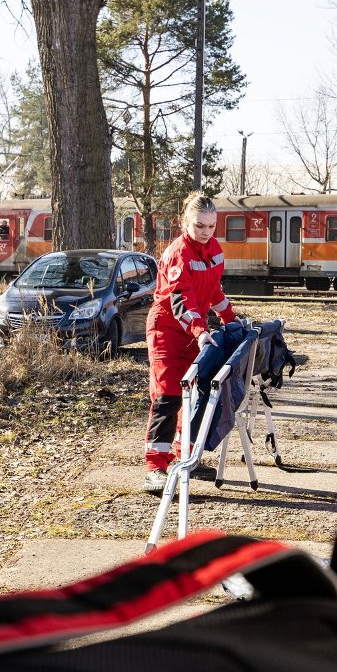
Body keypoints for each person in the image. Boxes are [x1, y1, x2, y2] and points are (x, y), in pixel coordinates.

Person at [142, 193, 238, 494]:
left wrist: (230, 318)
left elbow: (213, 291)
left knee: (195, 394)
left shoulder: (214, 250)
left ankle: (185, 457)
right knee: (167, 395)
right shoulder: (178, 253)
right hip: (168, 329)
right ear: (185, 223)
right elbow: (180, 299)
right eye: (199, 226)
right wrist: (199, 330)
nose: (206, 231)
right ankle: (156, 467)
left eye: (211, 225)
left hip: (195, 331)